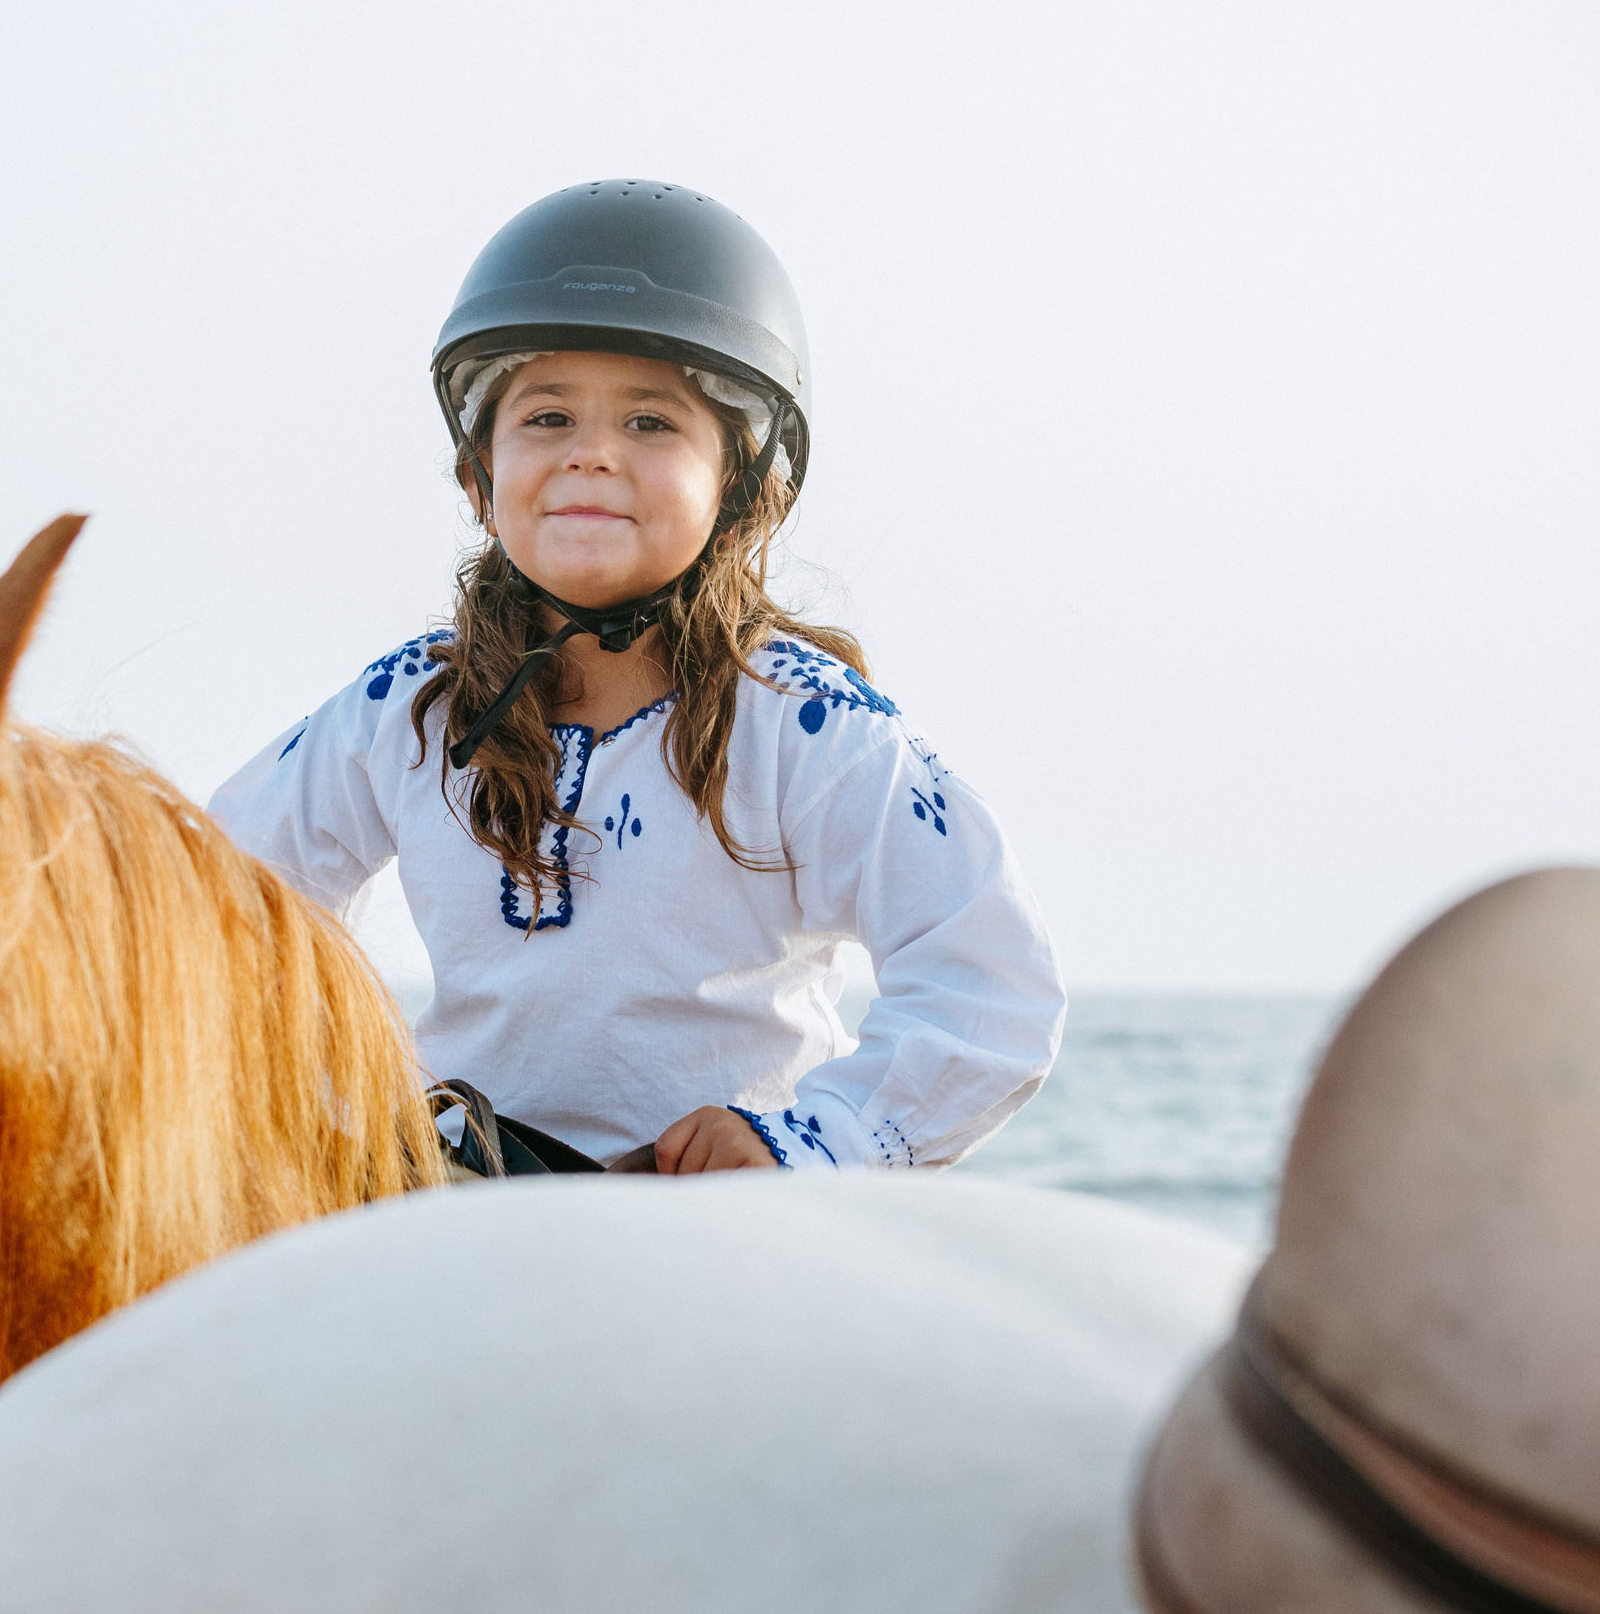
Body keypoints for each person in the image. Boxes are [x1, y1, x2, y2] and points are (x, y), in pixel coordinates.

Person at [211, 180, 1063, 1174]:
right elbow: (226, 902)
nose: (592, 457)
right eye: (547, 418)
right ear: (479, 480)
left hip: (726, 1225)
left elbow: (990, 980)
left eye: (652, 424)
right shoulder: (403, 711)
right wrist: (340, 1123)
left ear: (744, 486)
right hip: (457, 1207)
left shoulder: (809, 724)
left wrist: (802, 1143)